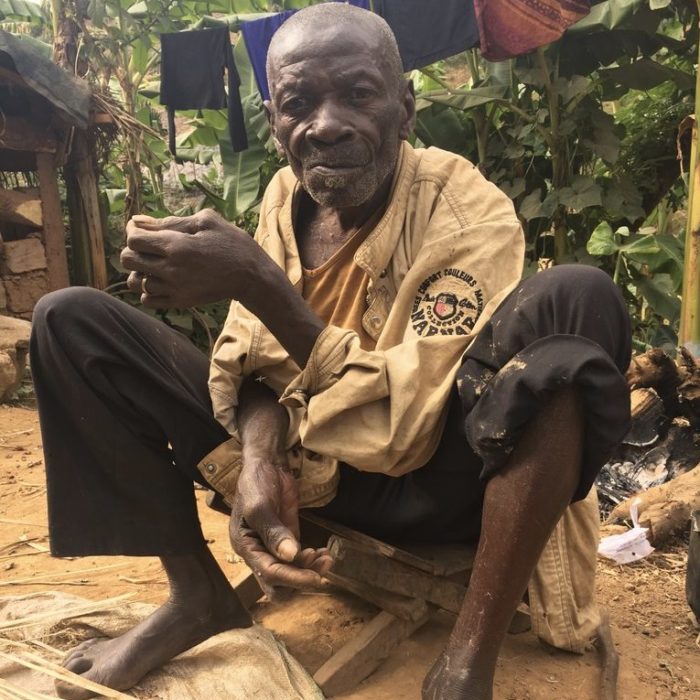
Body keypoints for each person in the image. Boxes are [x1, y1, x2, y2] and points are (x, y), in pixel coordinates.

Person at [30, 4, 631, 700]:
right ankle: (194, 595)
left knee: (578, 300)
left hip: (434, 487)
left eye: (358, 94)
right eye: (299, 103)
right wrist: (256, 458)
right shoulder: (288, 192)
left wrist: (254, 279)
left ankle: (469, 655)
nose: (327, 124)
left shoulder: (465, 208)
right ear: (273, 117)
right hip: (306, 481)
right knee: (69, 320)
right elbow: (252, 357)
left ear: (405, 107)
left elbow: (408, 432)